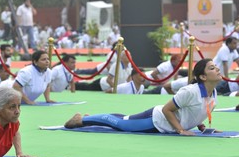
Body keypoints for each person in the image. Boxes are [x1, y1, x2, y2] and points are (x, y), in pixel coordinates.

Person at [64, 58, 221, 136]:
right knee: (121, 124)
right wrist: (181, 130)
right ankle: (81, 120)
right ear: (203, 77)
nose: (218, 69)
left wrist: (201, 126)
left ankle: (92, 117)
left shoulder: (213, 93)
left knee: (125, 119)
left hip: (164, 123)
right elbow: (167, 110)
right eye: (212, 68)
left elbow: (196, 111)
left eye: (216, 66)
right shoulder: (190, 91)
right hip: (157, 120)